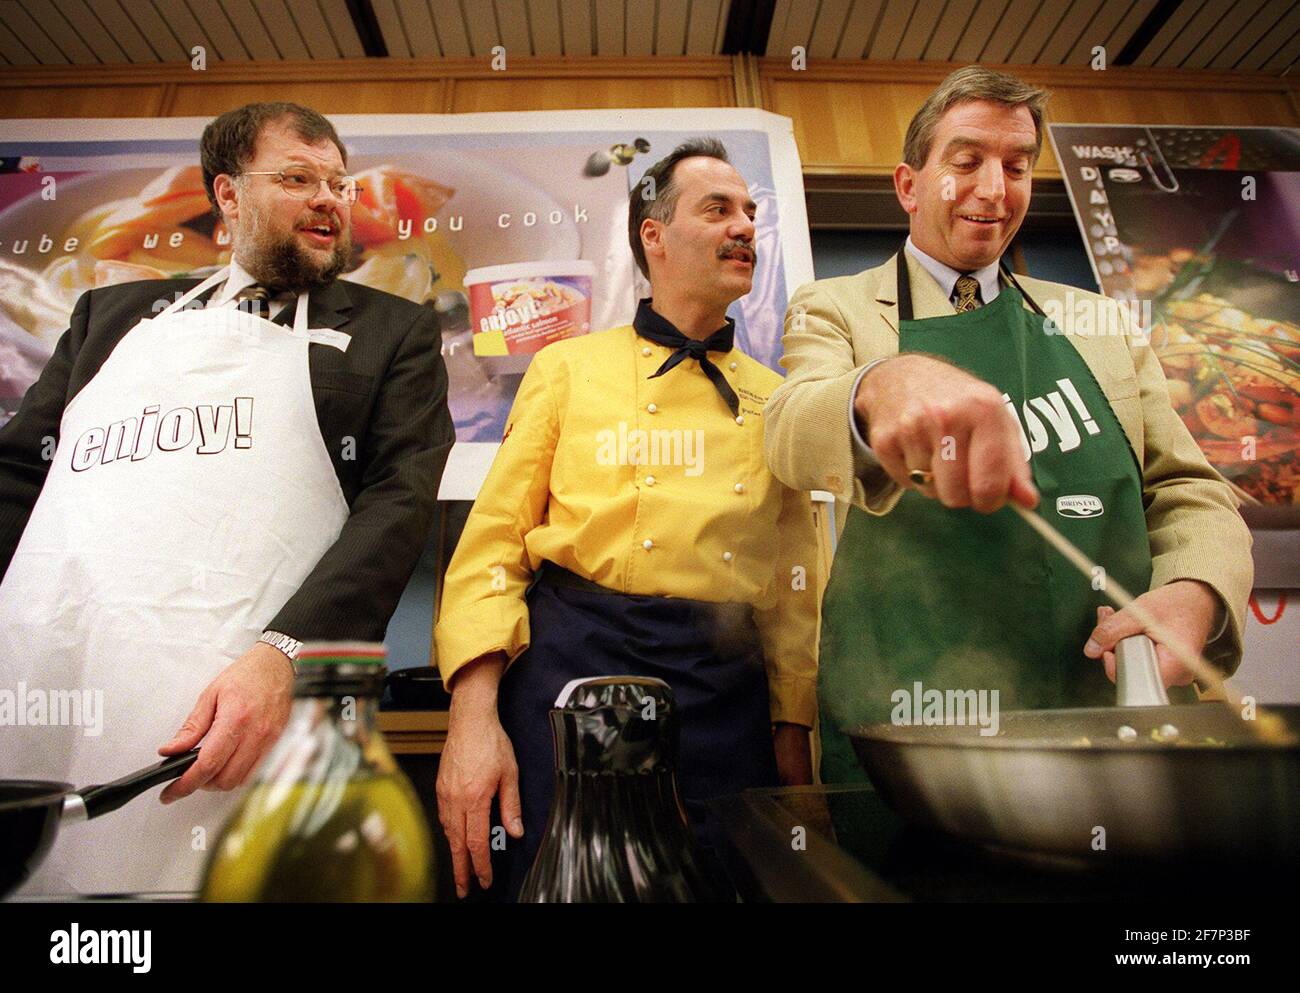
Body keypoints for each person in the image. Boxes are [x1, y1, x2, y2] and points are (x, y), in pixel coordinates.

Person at [0, 102, 454, 893]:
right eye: (297, 178)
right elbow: (17, 474)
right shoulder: (109, 317)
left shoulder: (395, 332)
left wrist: (287, 657)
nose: (330, 198)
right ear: (228, 194)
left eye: (339, 182)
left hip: (252, 694)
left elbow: (399, 500)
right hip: (61, 677)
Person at [763, 67, 1253, 783]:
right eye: (967, 162)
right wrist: (880, 384)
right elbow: (787, 428)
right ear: (908, 184)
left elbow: (1189, 489)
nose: (995, 189)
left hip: (1113, 705)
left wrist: (1197, 591)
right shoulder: (835, 307)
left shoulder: (1097, 321)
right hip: (915, 716)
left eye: (1017, 167)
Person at [434, 138, 820, 900]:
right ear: (654, 234)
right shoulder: (566, 367)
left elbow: (792, 584)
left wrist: (793, 734)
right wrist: (470, 718)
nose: (744, 225)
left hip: (723, 692)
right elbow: (494, 548)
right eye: (718, 209)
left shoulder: (779, 400)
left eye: (750, 211)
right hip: (573, 670)